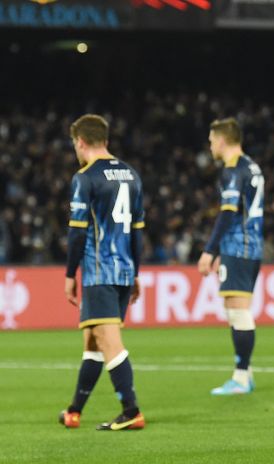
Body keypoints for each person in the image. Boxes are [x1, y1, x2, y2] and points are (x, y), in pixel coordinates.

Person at [59, 114, 146, 431]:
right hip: (123, 271)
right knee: (93, 342)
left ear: (80, 142)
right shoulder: (132, 175)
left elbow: (77, 233)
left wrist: (70, 275)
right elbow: (137, 233)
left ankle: (131, 410)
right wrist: (136, 272)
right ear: (105, 140)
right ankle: (74, 410)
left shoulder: (85, 177)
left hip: (99, 271)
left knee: (109, 342)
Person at [198, 118, 264, 395]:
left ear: (222, 140)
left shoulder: (233, 169)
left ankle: (240, 376)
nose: (211, 146)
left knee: (237, 310)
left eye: (212, 140)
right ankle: (245, 373)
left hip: (238, 245)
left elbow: (228, 212)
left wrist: (209, 250)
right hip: (253, 243)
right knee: (237, 309)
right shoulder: (252, 166)